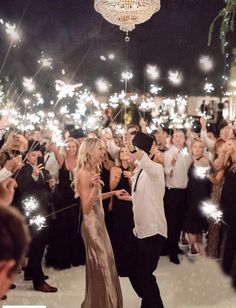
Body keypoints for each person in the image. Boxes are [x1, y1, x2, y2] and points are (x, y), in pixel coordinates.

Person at [117, 131, 167, 308]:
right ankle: (149, 300)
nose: (127, 153)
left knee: (145, 275)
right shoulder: (138, 171)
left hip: (153, 231)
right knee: (129, 267)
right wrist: (131, 198)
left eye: (131, 151)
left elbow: (144, 159)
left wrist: (132, 146)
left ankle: (152, 304)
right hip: (138, 230)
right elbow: (148, 196)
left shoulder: (155, 169)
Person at [73, 138, 124, 308]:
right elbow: (86, 208)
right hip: (91, 226)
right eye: (99, 149)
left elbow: (96, 201)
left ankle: (102, 302)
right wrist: (95, 188)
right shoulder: (84, 173)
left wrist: (113, 192)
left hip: (100, 223)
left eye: (103, 149)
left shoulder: (94, 169)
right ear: (89, 151)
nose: (103, 152)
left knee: (106, 264)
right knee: (102, 268)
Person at [13, 140, 57, 293]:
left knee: (39, 243)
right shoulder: (21, 170)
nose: (36, 157)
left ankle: (30, 272)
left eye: (37, 154)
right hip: (30, 213)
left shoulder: (43, 169)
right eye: (32, 154)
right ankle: (38, 281)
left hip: (44, 211)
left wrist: (51, 185)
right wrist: (33, 175)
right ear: (26, 156)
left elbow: (45, 191)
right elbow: (22, 190)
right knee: (37, 245)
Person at [184, 140, 212, 256]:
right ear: (191, 148)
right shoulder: (193, 161)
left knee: (192, 225)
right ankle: (202, 252)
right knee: (197, 227)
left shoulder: (204, 160)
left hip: (199, 196)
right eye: (195, 146)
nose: (197, 149)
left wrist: (191, 156)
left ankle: (199, 250)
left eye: (200, 147)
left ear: (203, 149)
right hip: (192, 195)